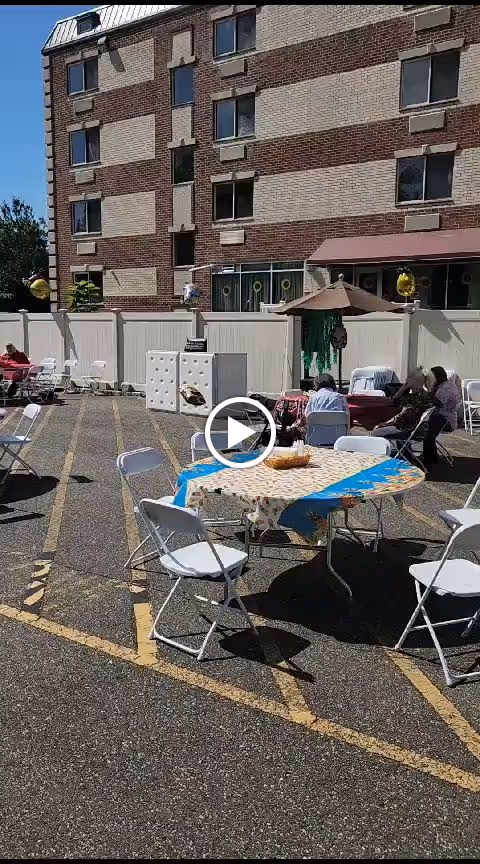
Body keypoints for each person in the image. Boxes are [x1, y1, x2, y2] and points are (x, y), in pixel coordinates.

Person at [372, 367, 431, 439]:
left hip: (407, 429)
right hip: (418, 429)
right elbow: (395, 401)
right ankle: (404, 450)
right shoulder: (423, 395)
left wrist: (384, 424)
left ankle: (385, 449)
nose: (406, 380)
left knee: (375, 432)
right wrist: (403, 389)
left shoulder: (416, 398)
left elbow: (401, 417)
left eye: (409, 378)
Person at [296, 373, 349, 446]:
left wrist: (298, 423)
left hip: (315, 439)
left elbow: (305, 418)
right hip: (338, 440)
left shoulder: (313, 397)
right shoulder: (341, 397)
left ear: (317, 384)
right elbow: (347, 419)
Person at [422, 366, 460, 466]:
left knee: (426, 435)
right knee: (423, 428)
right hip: (444, 418)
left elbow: (437, 403)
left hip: (445, 420)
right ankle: (432, 456)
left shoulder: (445, 389)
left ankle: (427, 463)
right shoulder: (447, 385)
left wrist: (426, 391)